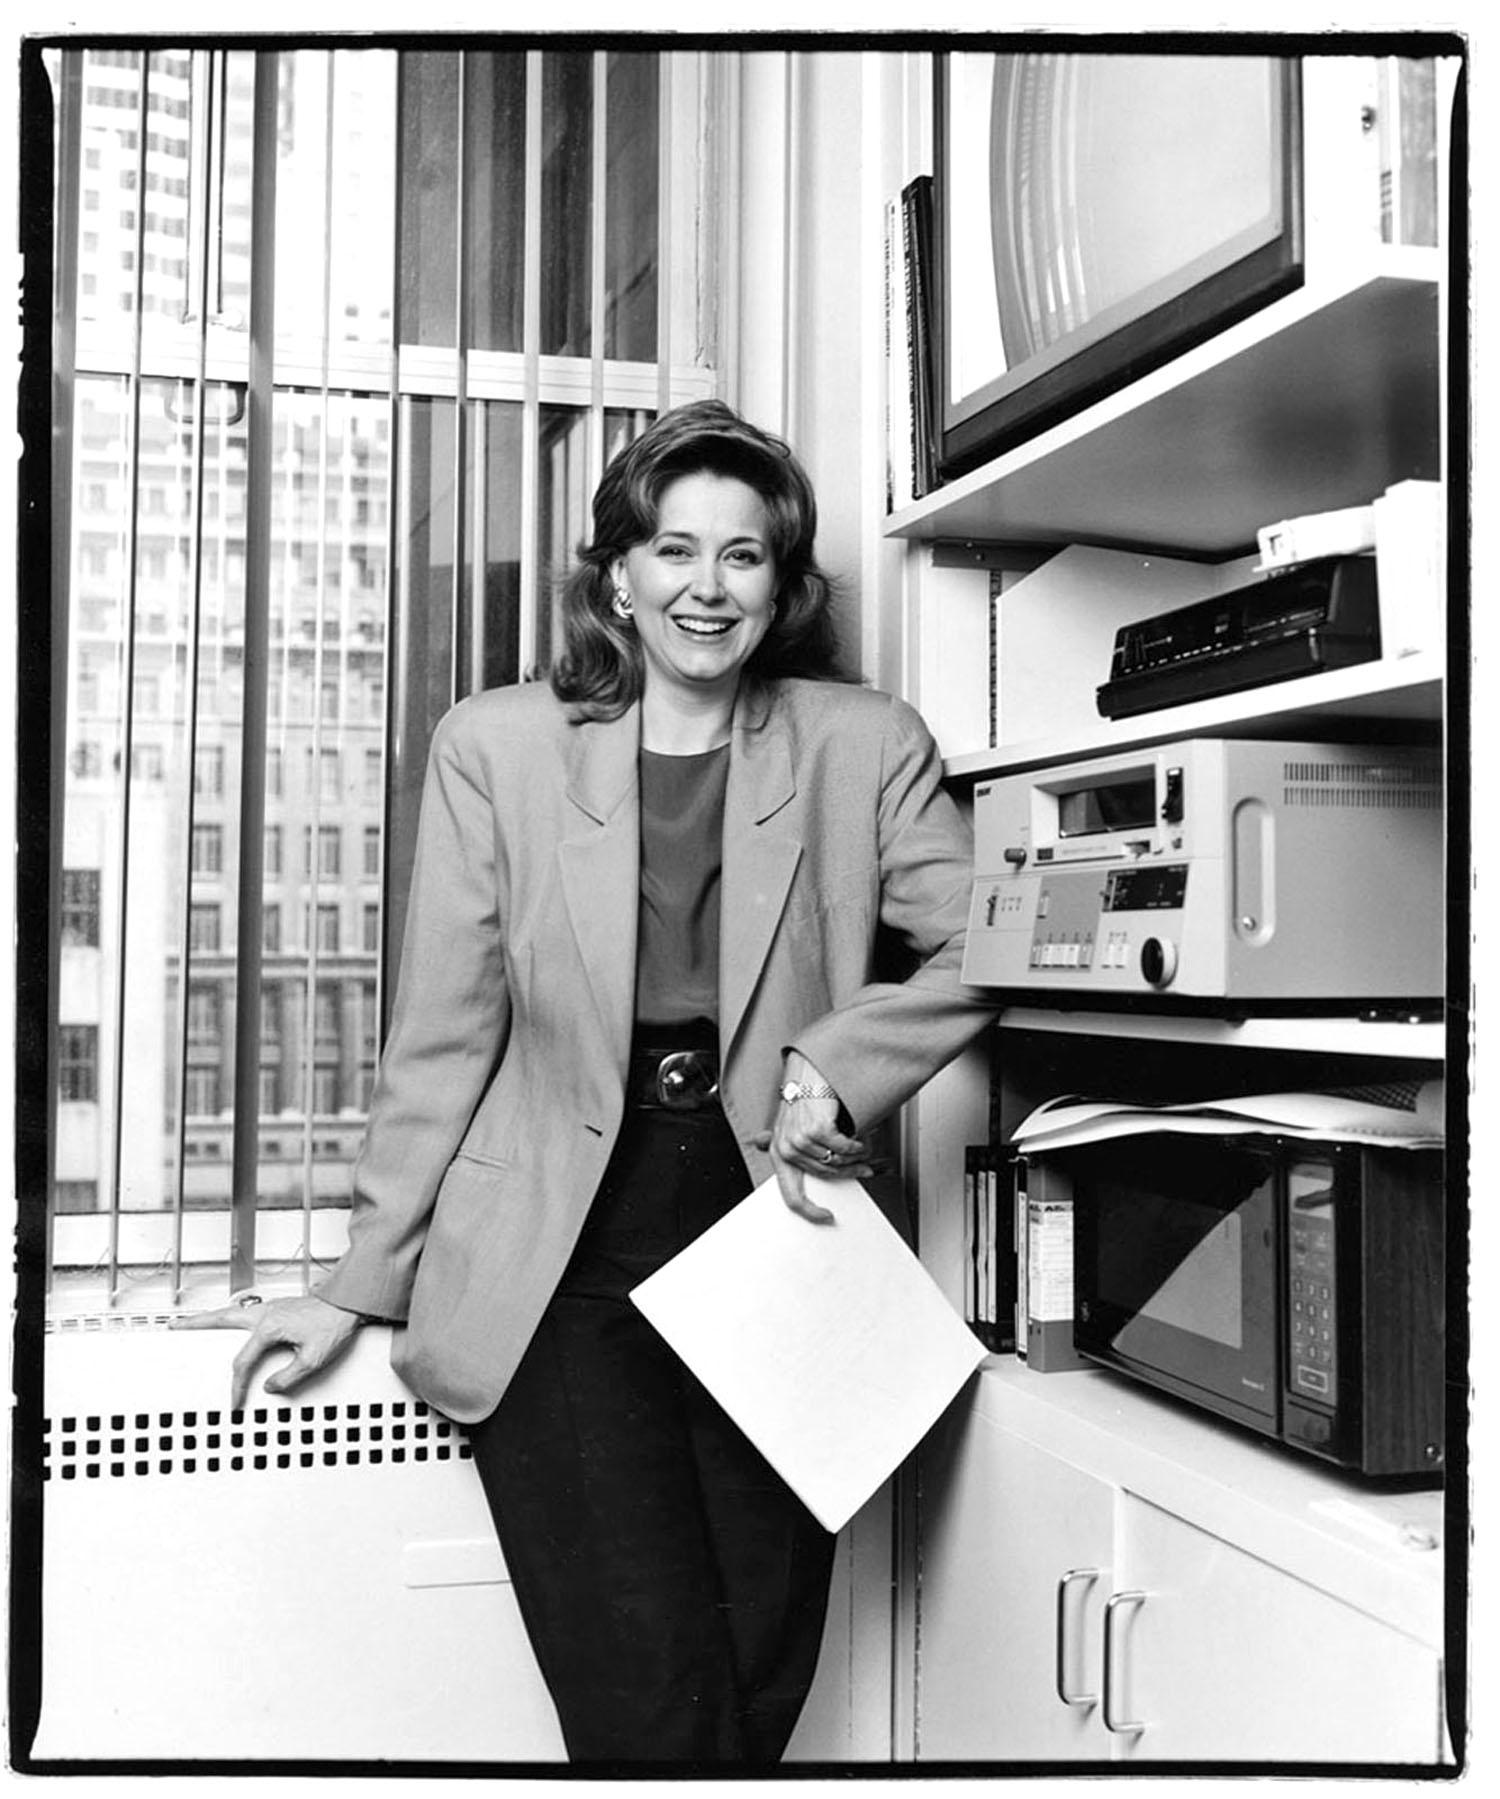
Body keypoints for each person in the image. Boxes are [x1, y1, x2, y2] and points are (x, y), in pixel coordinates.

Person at [180, 399, 998, 1765]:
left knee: (755, 1670)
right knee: (648, 1701)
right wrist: (355, 1280)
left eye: (744, 557)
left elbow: (995, 934)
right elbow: (445, 1033)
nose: (706, 586)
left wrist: (839, 1069)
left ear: (782, 586)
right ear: (616, 572)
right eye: (674, 549)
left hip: (779, 1236)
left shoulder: (862, 741)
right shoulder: (495, 747)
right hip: (558, 1251)